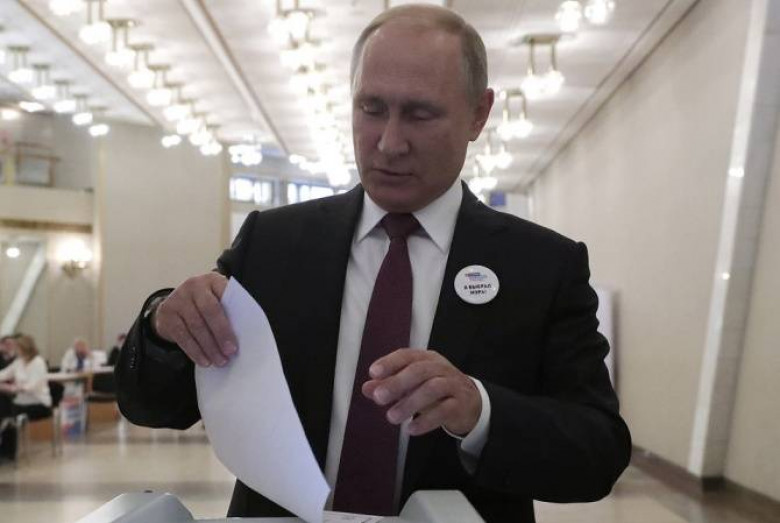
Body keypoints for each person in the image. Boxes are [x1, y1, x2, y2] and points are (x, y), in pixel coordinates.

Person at [115, 5, 631, 522]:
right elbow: (154, 405)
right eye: (371, 108)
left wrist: (480, 411)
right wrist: (164, 327)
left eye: (420, 114)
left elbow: (598, 452)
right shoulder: (273, 243)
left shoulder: (541, 266)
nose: (389, 142)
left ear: (479, 113)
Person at [0, 334, 52, 459]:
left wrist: (12, 388)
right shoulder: (18, 362)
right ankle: (6, 450)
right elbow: (3, 374)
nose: (15, 350)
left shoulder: (38, 362)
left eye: (17, 347)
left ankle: (9, 451)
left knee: (7, 411)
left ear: (24, 348)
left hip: (38, 403)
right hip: (21, 402)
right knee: (4, 409)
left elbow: (32, 386)